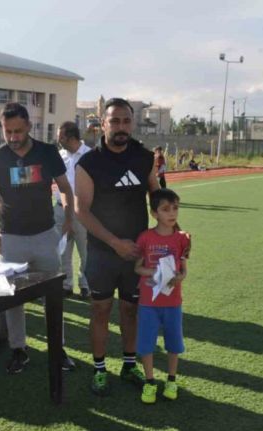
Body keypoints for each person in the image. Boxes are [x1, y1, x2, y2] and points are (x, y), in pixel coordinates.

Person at [0, 102, 76, 373]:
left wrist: (68, 217)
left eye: (18, 131)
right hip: (10, 240)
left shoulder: (47, 152)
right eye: (7, 131)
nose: (13, 137)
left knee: (52, 297)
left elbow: (65, 188)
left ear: (29, 127)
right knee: (14, 298)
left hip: (45, 236)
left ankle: (57, 348)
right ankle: (18, 349)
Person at [74, 97, 160, 396]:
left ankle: (128, 364)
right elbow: (81, 210)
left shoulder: (144, 158)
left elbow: (156, 195)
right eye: (114, 121)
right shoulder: (89, 163)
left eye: (126, 121)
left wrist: (171, 230)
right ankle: (99, 369)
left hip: (136, 253)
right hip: (102, 252)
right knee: (100, 310)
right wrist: (114, 242)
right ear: (103, 123)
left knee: (130, 310)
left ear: (132, 123)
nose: (121, 127)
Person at [134, 188, 190, 404]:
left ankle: (171, 380)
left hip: (173, 302)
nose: (172, 213)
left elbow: (184, 271)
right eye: (165, 209)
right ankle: (150, 382)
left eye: (175, 208)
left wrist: (178, 277)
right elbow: (137, 268)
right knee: (146, 343)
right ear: (154, 213)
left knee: (174, 343)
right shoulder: (145, 238)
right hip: (149, 302)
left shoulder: (183, 239)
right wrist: (156, 273)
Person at [54, 121, 92, 299]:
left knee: (85, 250)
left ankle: (86, 285)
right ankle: (65, 284)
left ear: (70, 137)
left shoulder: (90, 155)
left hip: (83, 211)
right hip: (60, 209)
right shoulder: (59, 156)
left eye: (60, 137)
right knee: (62, 249)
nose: (58, 140)